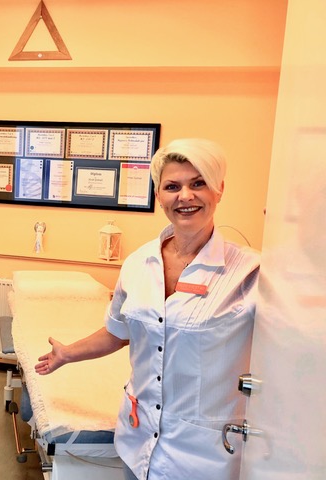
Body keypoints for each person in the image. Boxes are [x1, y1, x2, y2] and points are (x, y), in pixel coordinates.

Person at [35, 138, 260, 480]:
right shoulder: (139, 262)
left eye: (198, 183)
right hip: (137, 438)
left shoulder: (249, 273)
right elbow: (118, 331)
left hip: (203, 454)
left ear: (219, 190)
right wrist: (68, 354)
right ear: (159, 196)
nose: (185, 196)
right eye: (172, 186)